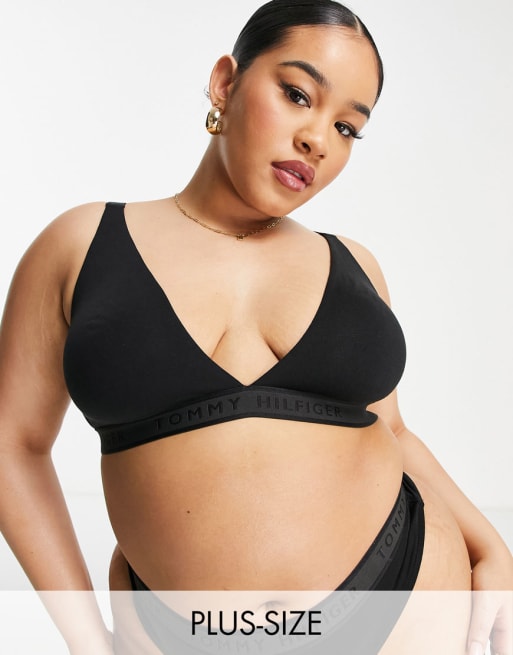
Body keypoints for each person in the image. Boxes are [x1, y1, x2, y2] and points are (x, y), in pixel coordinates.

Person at [0, 0, 511, 653]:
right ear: (225, 82)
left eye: (347, 127)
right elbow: (13, 445)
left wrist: (491, 546)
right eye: (298, 94)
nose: (317, 140)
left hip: (403, 594)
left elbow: (390, 429)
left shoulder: (353, 265)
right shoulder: (83, 245)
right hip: (181, 633)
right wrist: (87, 642)